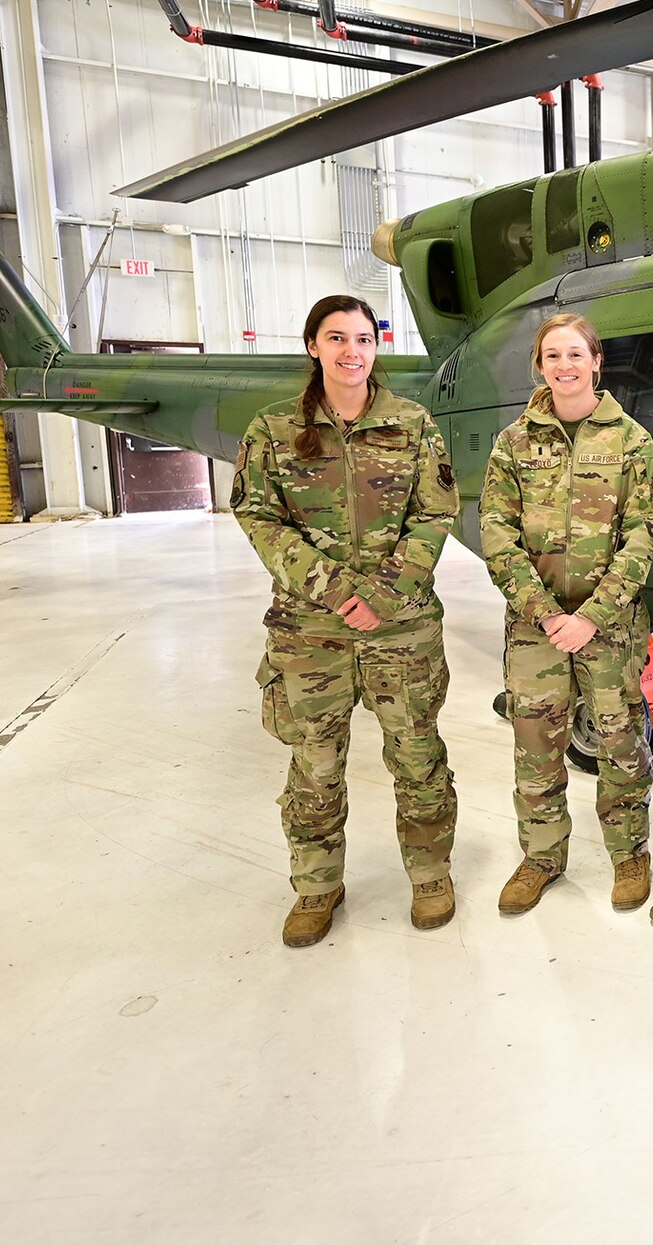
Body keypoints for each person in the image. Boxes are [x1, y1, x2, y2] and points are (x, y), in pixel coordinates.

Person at [233, 294, 460, 947]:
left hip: (402, 629)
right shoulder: (274, 430)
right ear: (313, 346)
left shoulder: (412, 424)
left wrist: (384, 595)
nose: (351, 351)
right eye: (337, 338)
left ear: (375, 347)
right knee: (316, 762)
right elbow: (259, 518)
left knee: (417, 756)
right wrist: (332, 588)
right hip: (311, 632)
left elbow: (434, 515)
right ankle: (316, 884)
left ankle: (430, 874)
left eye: (363, 338)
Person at [481, 313, 653, 916]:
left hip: (608, 630)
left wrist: (592, 614)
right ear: (541, 365)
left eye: (575, 354)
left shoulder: (631, 441)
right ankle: (541, 858)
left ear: (595, 361)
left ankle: (629, 853)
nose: (564, 366)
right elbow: (496, 530)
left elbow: (644, 535)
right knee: (535, 746)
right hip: (535, 632)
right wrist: (541, 611)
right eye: (552, 356)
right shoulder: (514, 443)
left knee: (619, 743)